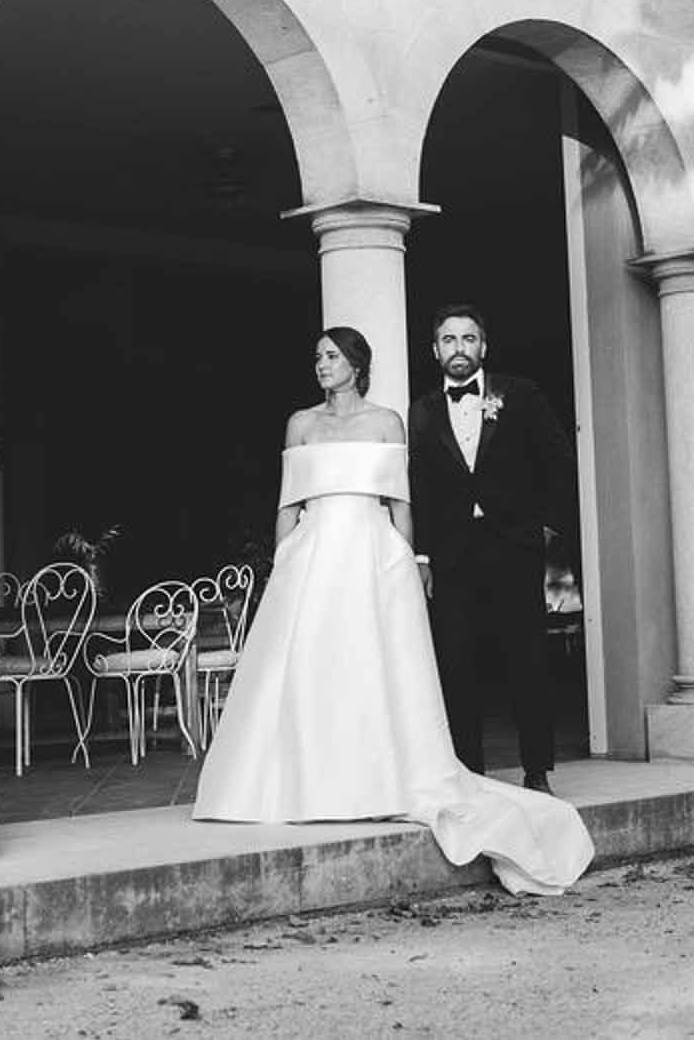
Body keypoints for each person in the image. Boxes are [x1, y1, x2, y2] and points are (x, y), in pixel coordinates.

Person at [192, 326, 592, 896]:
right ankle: (303, 783)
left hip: (373, 553)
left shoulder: (388, 422)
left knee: (374, 666)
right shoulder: (300, 424)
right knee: (310, 668)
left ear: (356, 364)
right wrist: (284, 560)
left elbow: (402, 503)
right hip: (312, 556)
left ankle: (402, 775)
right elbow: (287, 502)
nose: (321, 365)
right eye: (317, 357)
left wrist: (409, 560)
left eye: (331, 356)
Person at [407, 303, 576, 792]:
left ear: (484, 346)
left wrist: (545, 527)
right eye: (448, 340)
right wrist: (422, 555)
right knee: (457, 662)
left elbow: (559, 462)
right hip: (453, 554)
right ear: (434, 350)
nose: (459, 349)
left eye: (468, 339)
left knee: (526, 658)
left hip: (513, 547)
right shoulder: (421, 411)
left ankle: (537, 770)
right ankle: (468, 771)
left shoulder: (519, 395)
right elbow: (419, 485)